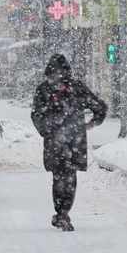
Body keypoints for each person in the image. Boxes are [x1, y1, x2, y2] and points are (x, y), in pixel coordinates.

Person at [30, 54, 107, 231]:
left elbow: (36, 114)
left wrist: (47, 130)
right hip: (75, 139)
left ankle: (61, 211)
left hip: (55, 140)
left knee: (58, 176)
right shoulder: (77, 87)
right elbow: (99, 107)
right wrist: (91, 123)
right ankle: (64, 211)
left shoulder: (44, 88)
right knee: (70, 176)